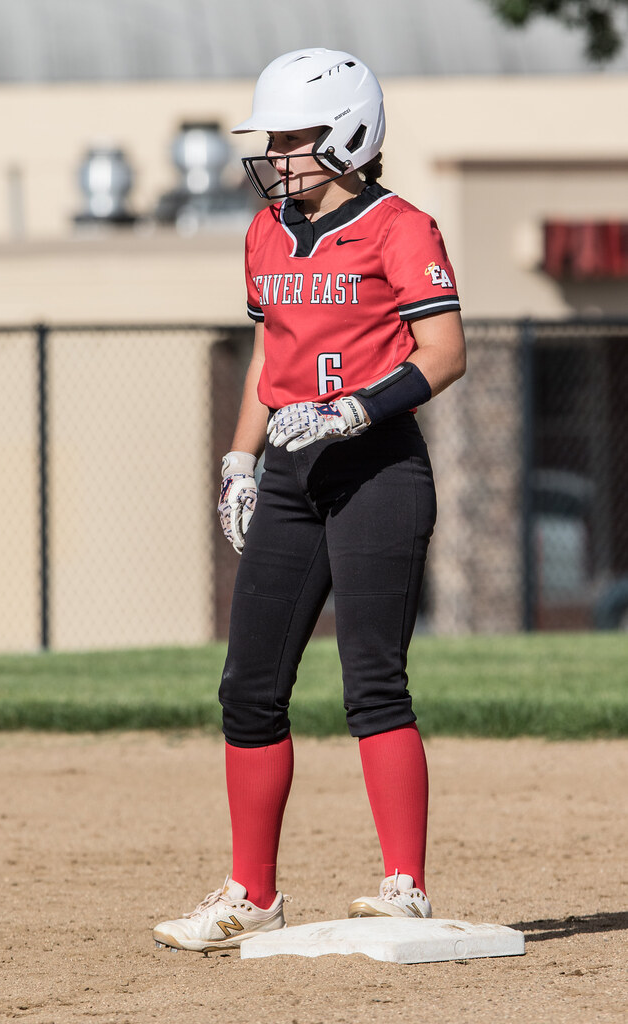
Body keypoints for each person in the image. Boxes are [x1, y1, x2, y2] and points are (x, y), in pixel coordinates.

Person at [153, 47, 466, 954]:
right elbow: (270, 355)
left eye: (294, 138)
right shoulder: (264, 232)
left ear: (350, 134)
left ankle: (403, 887)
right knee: (248, 688)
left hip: (375, 467)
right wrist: (238, 460)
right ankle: (252, 894)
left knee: (372, 682)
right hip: (291, 471)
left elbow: (444, 352)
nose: (277, 155)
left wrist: (356, 408)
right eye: (275, 138)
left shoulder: (400, 226)